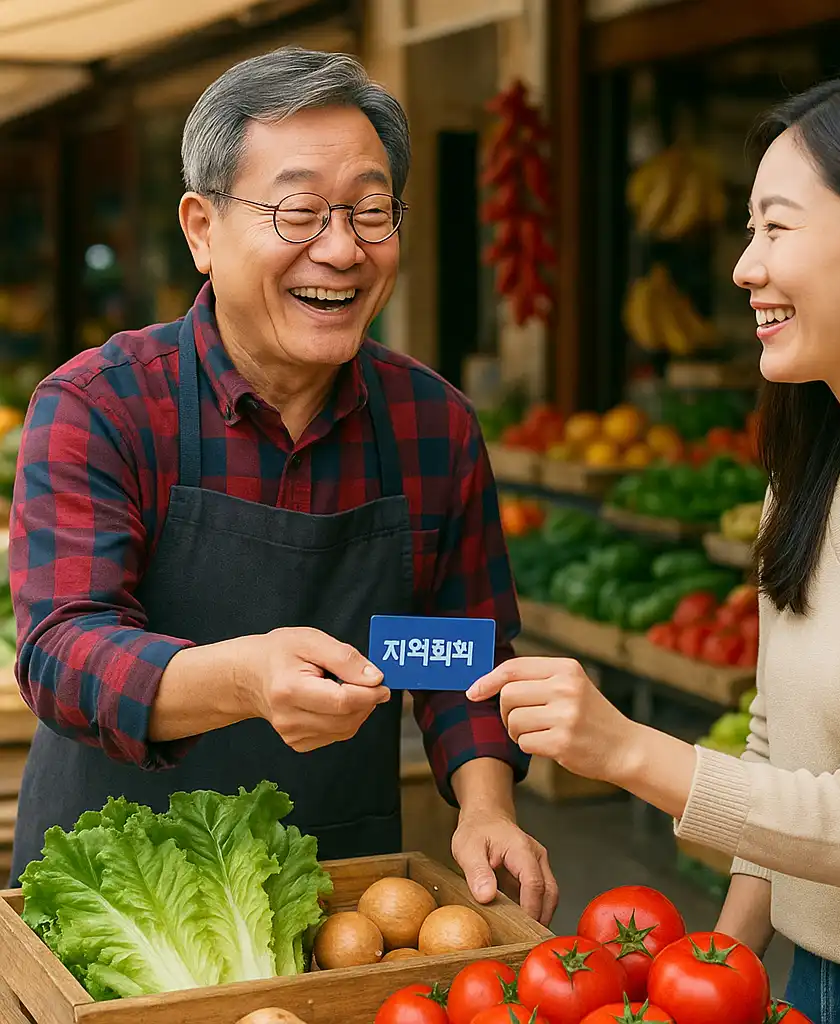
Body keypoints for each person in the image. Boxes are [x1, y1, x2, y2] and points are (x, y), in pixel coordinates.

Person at [469, 64, 840, 1021]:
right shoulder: (807, 482)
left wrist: (625, 748)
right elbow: (778, 757)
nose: (743, 267)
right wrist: (725, 964)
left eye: (777, 226)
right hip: (810, 978)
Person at [8, 46, 558, 926]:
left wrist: (487, 804)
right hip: (116, 887)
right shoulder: (99, 405)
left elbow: (456, 652)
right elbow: (63, 651)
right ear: (201, 228)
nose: (341, 250)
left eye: (372, 212)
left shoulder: (432, 425)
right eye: (300, 212)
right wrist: (242, 680)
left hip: (339, 892)